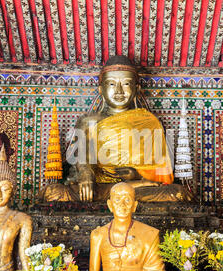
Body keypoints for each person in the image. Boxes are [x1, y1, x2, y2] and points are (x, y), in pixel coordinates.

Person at [42, 55, 192, 202]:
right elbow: (82, 155)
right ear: (101, 89)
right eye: (112, 84)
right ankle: (122, 193)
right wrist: (86, 174)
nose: (119, 91)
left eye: (126, 84)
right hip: (100, 187)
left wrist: (136, 175)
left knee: (178, 193)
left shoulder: (149, 121)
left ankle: (127, 190)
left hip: (137, 188)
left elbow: (161, 171)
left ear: (137, 88)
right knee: (53, 192)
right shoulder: (89, 121)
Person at [67, 182, 181, 271]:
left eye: (127, 200)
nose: (122, 204)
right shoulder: (98, 234)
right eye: (117, 199)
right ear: (110, 205)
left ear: (135, 205)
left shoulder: (149, 234)